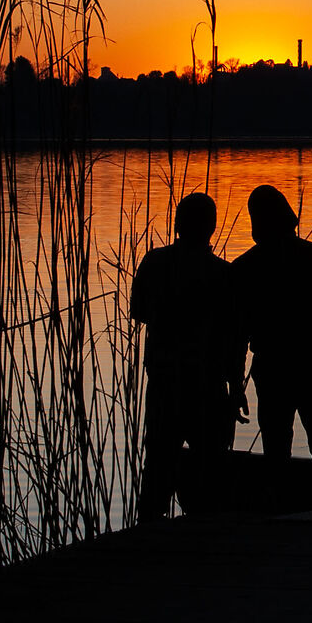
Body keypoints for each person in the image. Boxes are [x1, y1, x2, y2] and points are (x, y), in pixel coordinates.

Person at [231, 183, 312, 470]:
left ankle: (284, 504)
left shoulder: (244, 268)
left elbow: (236, 336)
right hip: (308, 365)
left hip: (277, 368)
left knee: (280, 448)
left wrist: (235, 383)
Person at [129, 191, 242, 519]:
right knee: (210, 462)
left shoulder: (155, 261)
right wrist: (236, 385)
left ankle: (149, 533)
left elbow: (138, 310)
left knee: (159, 462)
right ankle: (205, 531)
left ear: (178, 225)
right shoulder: (223, 273)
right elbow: (234, 337)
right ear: (212, 227)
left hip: (165, 381)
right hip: (208, 385)